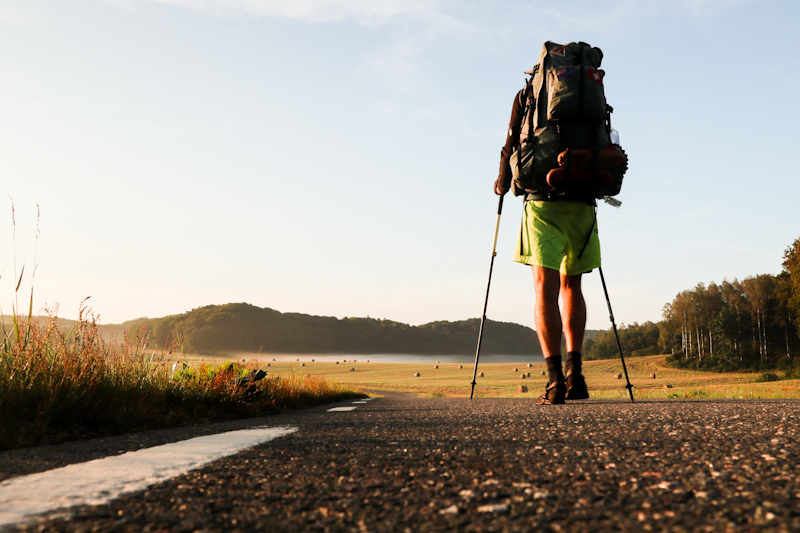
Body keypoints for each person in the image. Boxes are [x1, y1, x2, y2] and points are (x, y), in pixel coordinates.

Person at [494, 86, 599, 405]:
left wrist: (502, 181)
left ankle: (555, 381)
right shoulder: (587, 92)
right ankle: (575, 374)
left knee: (545, 286)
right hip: (581, 198)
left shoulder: (527, 94)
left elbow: (511, 139)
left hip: (541, 199)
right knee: (572, 287)